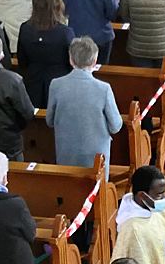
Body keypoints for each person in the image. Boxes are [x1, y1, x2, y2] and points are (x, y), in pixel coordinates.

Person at [48, 37, 123, 169]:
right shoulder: (104, 89)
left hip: (66, 153)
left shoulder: (56, 85)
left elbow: (50, 120)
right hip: (96, 157)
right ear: (94, 62)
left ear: (71, 60)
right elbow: (115, 126)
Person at [20, 0, 77, 105]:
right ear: (58, 5)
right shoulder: (65, 33)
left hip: (33, 84)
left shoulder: (25, 29)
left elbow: (22, 61)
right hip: (59, 85)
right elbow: (72, 63)